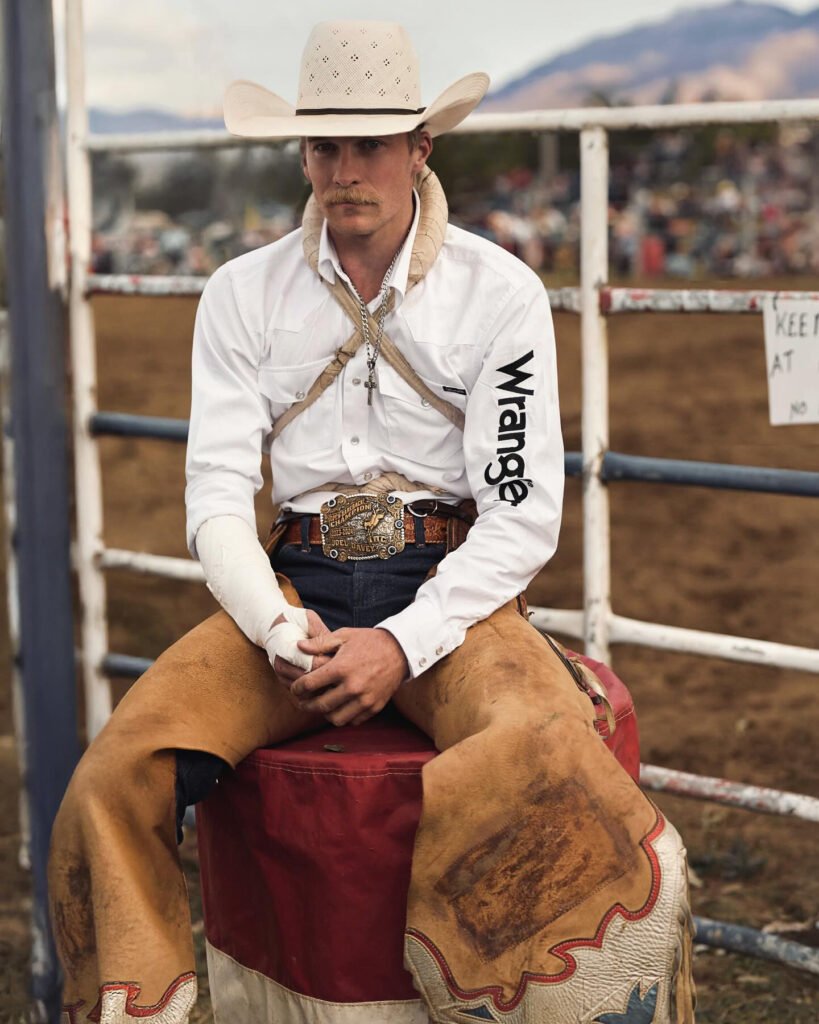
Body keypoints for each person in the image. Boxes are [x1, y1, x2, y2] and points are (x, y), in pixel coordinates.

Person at [48, 20, 695, 1024]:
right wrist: (275, 628)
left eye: (372, 144)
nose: (346, 169)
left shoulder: (500, 293)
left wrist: (401, 643)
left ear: (419, 148)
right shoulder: (239, 294)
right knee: (112, 775)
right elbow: (215, 497)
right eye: (326, 146)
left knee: (547, 747)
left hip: (452, 599)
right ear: (303, 153)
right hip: (294, 595)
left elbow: (521, 513)